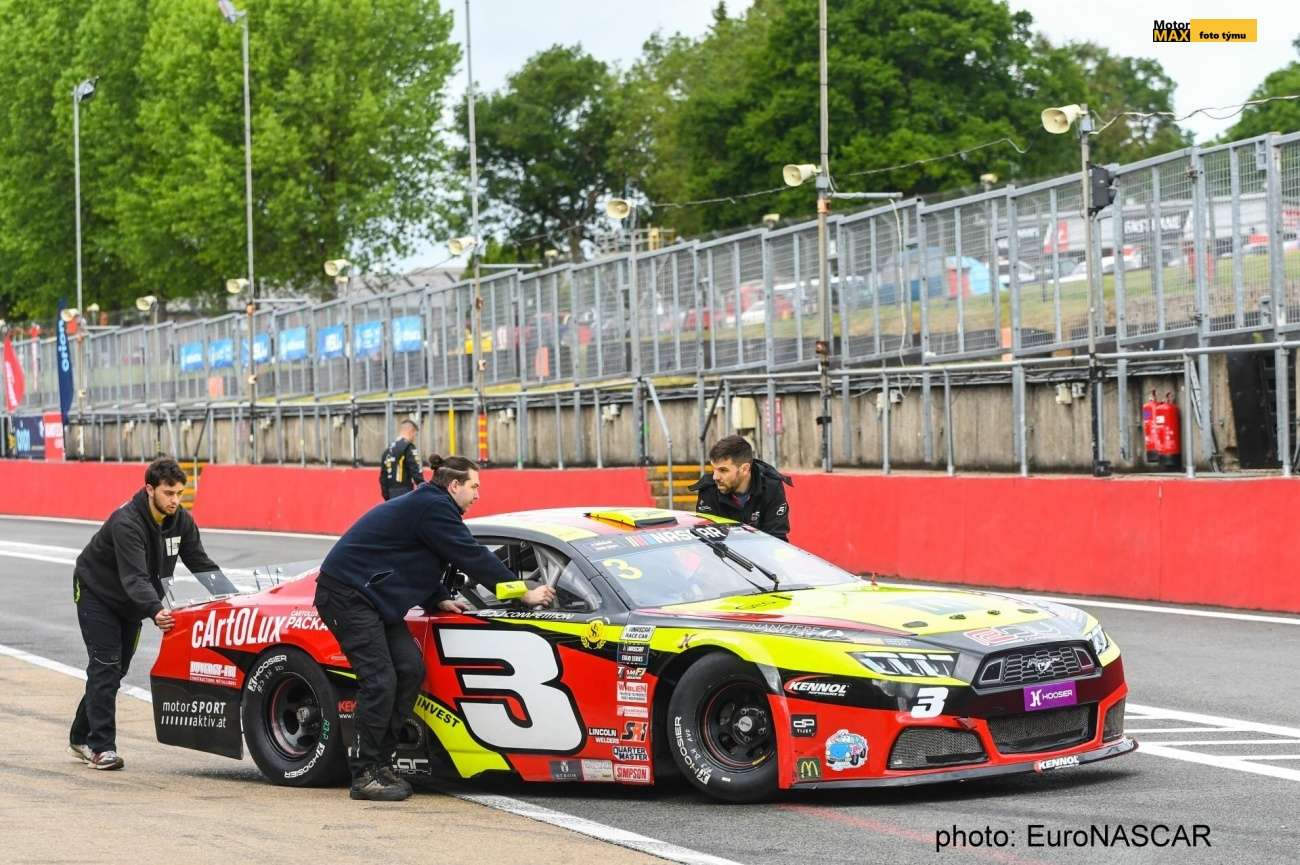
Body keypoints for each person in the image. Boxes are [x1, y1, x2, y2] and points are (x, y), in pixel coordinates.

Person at [314, 455, 555, 802]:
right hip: (347, 596)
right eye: (474, 487)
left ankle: (382, 763)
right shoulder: (433, 506)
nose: (478, 495)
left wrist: (438, 597)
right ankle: (365, 773)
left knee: (409, 670)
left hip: (373, 599)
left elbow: (421, 557)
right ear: (454, 485)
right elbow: (470, 555)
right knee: (380, 679)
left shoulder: (432, 505)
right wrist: (525, 593)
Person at [69, 457, 222, 771]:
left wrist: (233, 596)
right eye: (168, 493)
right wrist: (155, 610)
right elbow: (134, 578)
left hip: (132, 601)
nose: (175, 500)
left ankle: (79, 734)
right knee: (106, 666)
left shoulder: (182, 521)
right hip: (97, 593)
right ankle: (101, 748)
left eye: (180, 493)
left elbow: (201, 563)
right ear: (149, 489)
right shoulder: (127, 522)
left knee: (115, 670)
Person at [690, 434, 793, 541]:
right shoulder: (709, 488)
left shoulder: (771, 486)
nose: (715, 477)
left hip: (761, 554)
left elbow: (777, 539)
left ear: (744, 469)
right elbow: (707, 541)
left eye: (723, 470)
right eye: (714, 469)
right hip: (723, 555)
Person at [378, 418, 424, 500]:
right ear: (411, 432)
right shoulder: (409, 447)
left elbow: (382, 477)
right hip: (405, 492)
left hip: (390, 493)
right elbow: (416, 472)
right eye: (415, 434)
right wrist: (424, 489)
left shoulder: (388, 450)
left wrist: (387, 497)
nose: (414, 437)